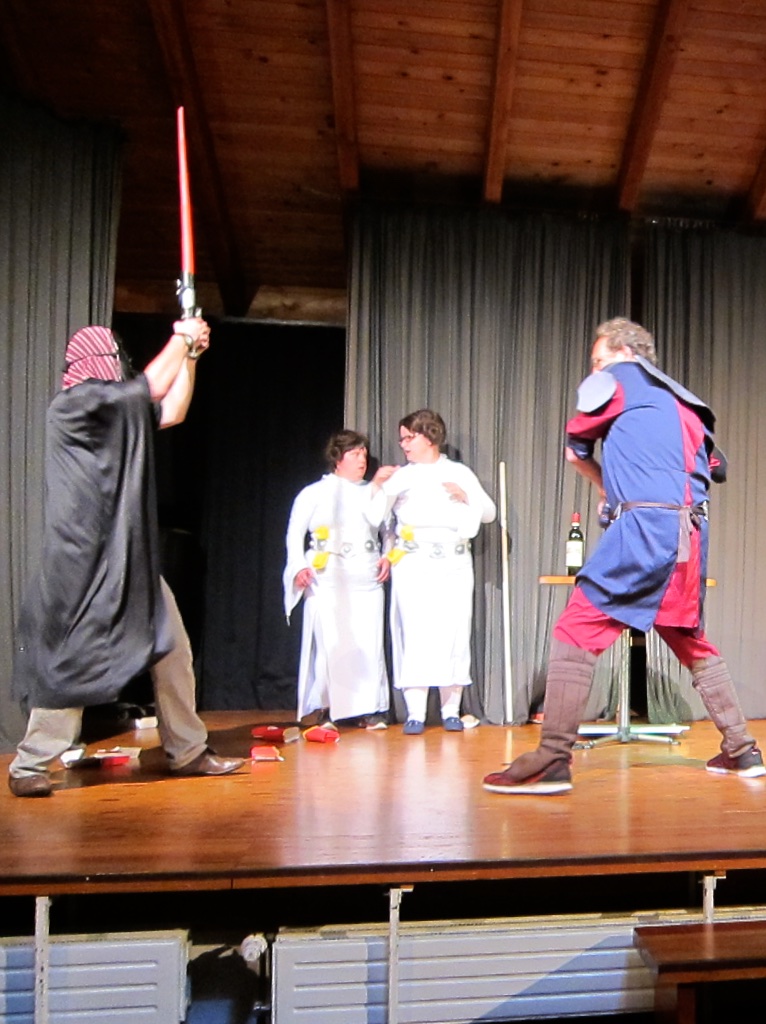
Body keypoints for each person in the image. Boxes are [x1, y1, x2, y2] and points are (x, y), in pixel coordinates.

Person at [483, 317, 765, 795]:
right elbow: (718, 468)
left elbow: (575, 452)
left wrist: (604, 485)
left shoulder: (615, 381)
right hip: (690, 535)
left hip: (646, 529)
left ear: (623, 353)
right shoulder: (685, 402)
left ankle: (552, 759)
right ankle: (742, 749)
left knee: (576, 627)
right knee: (687, 636)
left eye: (599, 359)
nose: (595, 369)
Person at [8, 320, 244, 797]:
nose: (121, 367)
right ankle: (29, 763)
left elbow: (172, 409)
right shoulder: (76, 404)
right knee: (71, 658)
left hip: (129, 555)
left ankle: (188, 749)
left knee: (172, 648)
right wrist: (182, 336)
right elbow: (153, 386)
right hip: (81, 559)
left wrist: (190, 357)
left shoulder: (117, 413)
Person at [376, 410, 496, 734]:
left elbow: (489, 512)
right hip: (413, 563)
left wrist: (466, 496)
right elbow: (380, 519)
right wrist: (381, 488)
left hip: (453, 564)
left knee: (452, 632)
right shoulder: (402, 476)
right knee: (414, 632)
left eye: (409, 438)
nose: (403, 444)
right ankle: (415, 712)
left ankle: (451, 710)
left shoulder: (458, 472)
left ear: (428, 436)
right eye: (402, 438)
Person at [283, 430, 391, 728]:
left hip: (365, 577)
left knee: (368, 642)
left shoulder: (375, 491)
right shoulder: (314, 493)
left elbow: (388, 530)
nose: (362, 460)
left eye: (364, 454)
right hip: (327, 577)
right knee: (331, 642)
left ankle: (369, 708)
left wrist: (388, 556)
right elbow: (294, 533)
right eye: (355, 454)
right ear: (337, 458)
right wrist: (297, 566)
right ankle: (328, 707)